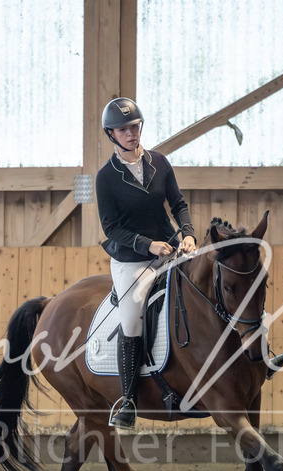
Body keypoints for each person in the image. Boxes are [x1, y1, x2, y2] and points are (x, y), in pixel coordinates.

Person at [96, 97, 197, 430]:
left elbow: (178, 204)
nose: (131, 133)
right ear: (111, 133)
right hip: (131, 260)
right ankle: (127, 400)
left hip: (168, 249)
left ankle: (258, 358)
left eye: (135, 127)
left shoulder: (160, 163)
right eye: (124, 129)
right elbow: (111, 228)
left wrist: (188, 234)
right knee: (133, 313)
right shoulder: (105, 178)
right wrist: (146, 245)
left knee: (207, 284)